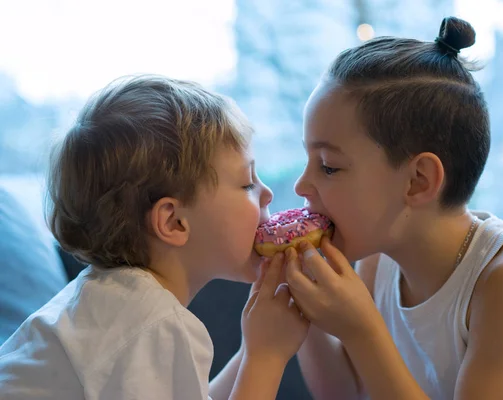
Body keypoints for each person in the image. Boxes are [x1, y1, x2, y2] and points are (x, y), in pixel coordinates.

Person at [283, 16, 503, 400]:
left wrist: (361, 330)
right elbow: (343, 392)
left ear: (418, 180)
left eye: (329, 166)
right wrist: (301, 302)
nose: (301, 185)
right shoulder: (379, 262)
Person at [0, 75, 309, 400]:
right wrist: (267, 357)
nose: (268, 194)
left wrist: (253, 349)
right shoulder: (151, 325)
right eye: (247, 183)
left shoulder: (116, 304)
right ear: (174, 222)